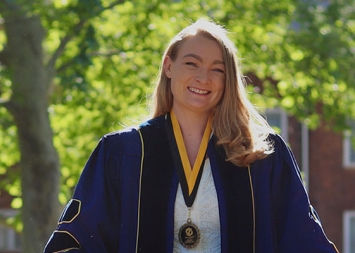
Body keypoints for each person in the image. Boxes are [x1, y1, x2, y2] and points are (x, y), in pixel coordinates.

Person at [44, 19, 339, 253]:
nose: (203, 78)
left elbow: (303, 239)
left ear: (228, 80)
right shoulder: (123, 153)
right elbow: (78, 240)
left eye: (217, 69)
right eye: (192, 63)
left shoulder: (261, 157)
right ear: (169, 66)